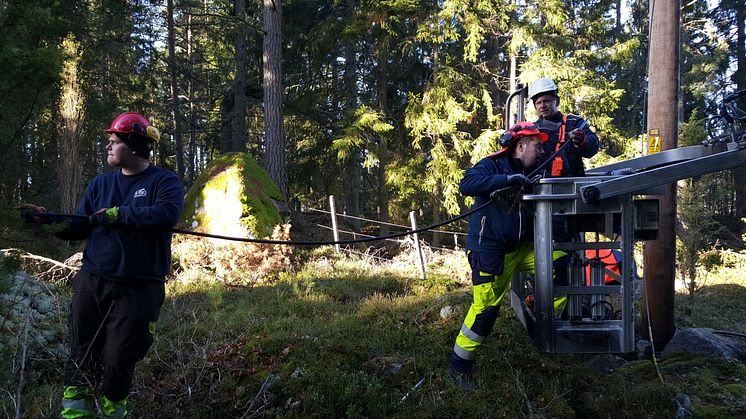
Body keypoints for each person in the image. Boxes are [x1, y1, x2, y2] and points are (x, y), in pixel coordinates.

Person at [21, 112, 184, 418]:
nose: (107, 147)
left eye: (114, 141)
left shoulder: (164, 181)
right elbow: (80, 226)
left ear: (134, 145)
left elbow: (166, 215)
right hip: (92, 282)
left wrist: (118, 214)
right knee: (81, 353)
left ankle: (113, 411)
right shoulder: (99, 184)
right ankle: (75, 414)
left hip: (140, 287)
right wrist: (48, 220)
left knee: (118, 357)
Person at [449, 121, 566, 392]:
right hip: (489, 250)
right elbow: (467, 184)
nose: (540, 151)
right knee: (485, 312)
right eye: (537, 146)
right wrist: (505, 180)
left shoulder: (533, 170)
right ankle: (459, 367)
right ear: (521, 146)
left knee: (561, 262)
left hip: (521, 249)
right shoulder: (493, 165)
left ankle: (541, 312)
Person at [529, 77, 599, 178]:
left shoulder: (574, 123)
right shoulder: (532, 131)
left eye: (547, 101)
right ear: (535, 106)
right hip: (541, 189)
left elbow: (592, 148)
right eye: (539, 103)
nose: (542, 106)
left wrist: (583, 140)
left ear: (557, 102)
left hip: (573, 188)